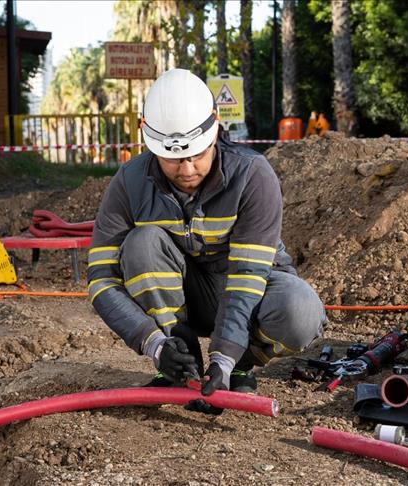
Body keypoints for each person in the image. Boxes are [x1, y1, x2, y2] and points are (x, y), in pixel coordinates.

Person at [88, 68, 325, 401]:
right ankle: (178, 362)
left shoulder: (252, 175)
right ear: (149, 138)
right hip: (186, 297)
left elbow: (246, 276)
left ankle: (243, 363)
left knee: (301, 311)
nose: (187, 170)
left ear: (215, 128)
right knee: (141, 244)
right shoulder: (129, 182)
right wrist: (154, 345)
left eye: (198, 153)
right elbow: (101, 279)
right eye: (172, 158)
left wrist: (225, 357)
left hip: (250, 293)